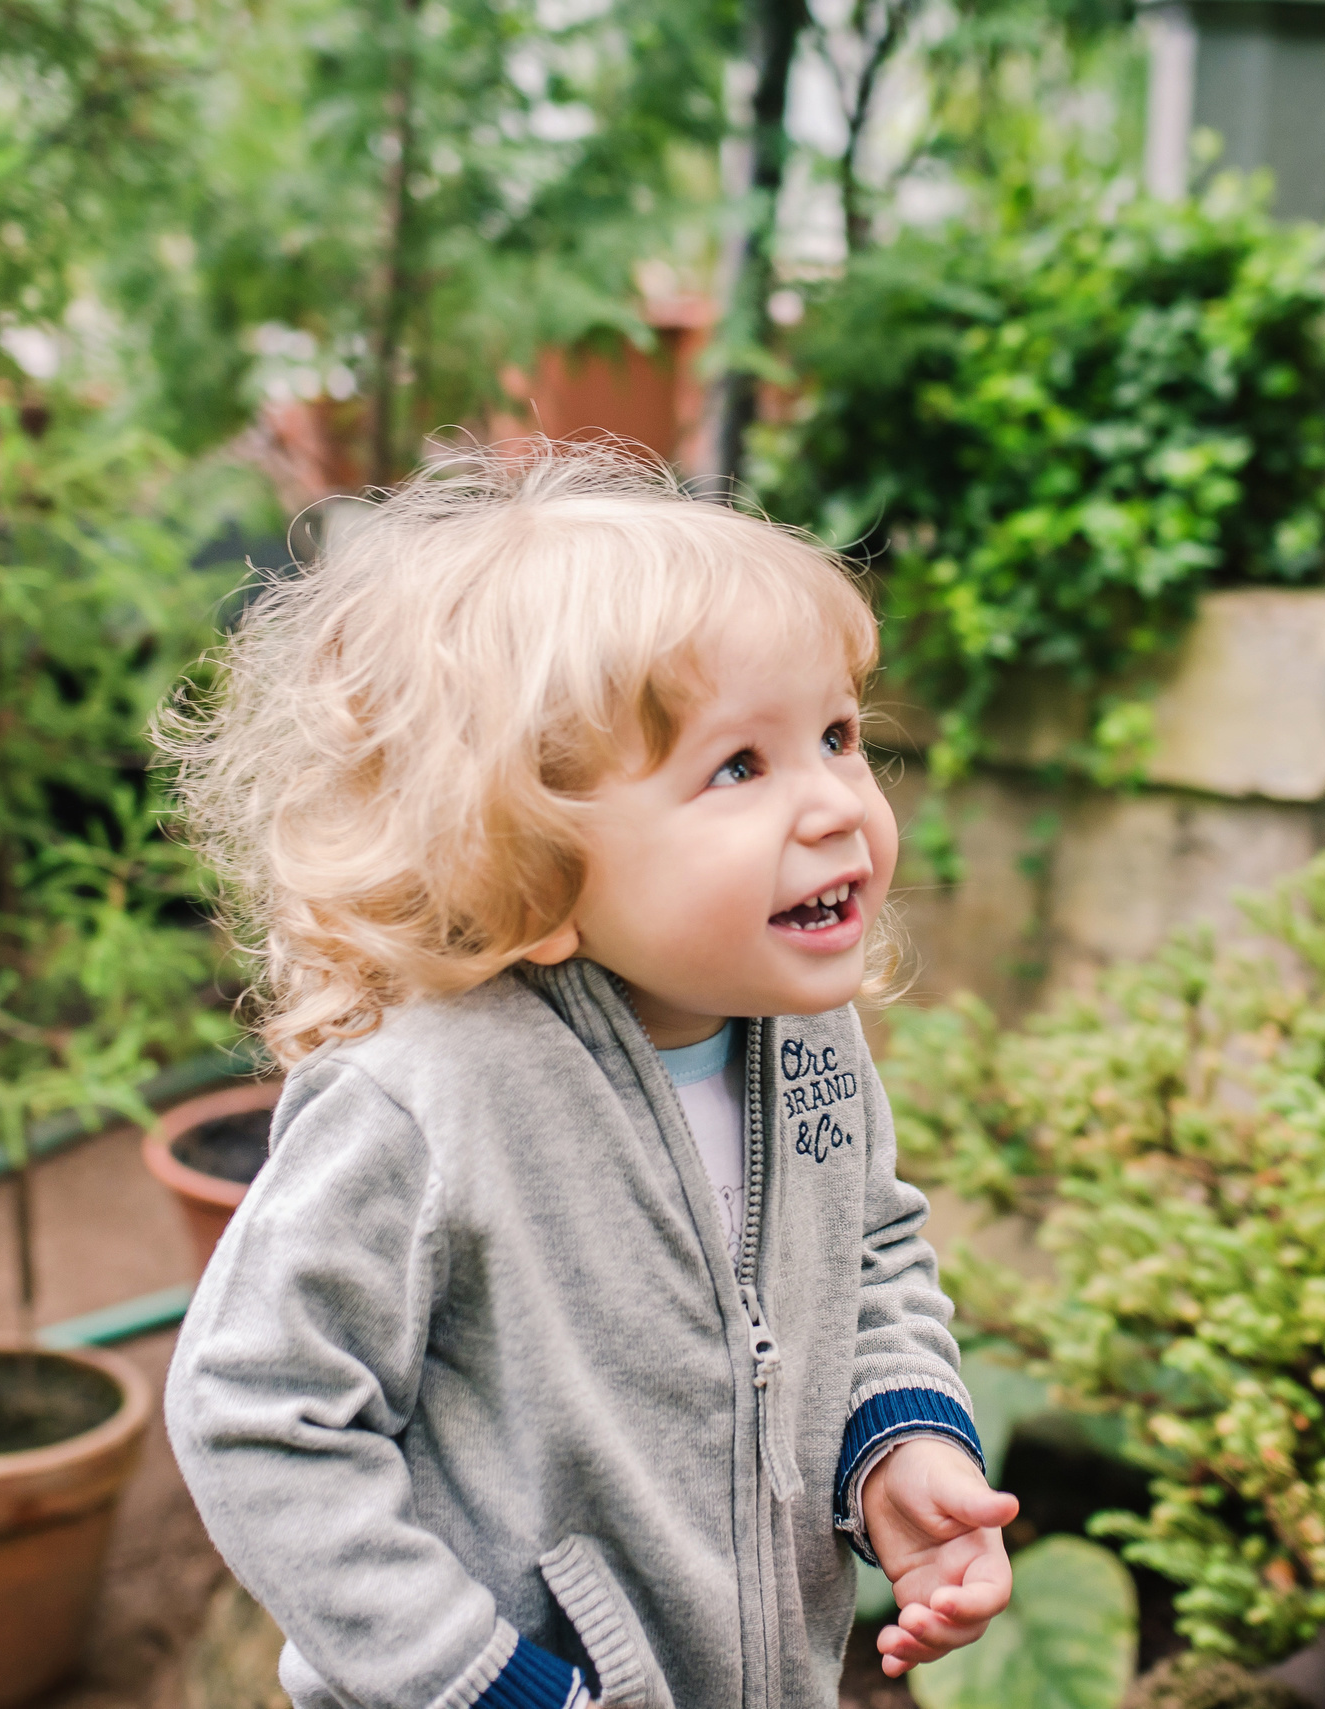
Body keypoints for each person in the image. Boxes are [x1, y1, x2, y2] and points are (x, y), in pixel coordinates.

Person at [159, 443, 1017, 1709]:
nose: (838, 801)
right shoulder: (426, 1103)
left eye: (837, 734)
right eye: (739, 765)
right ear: (522, 854)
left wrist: (899, 1438)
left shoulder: (798, 1031)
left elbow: (868, 1252)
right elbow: (256, 1410)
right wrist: (483, 1680)